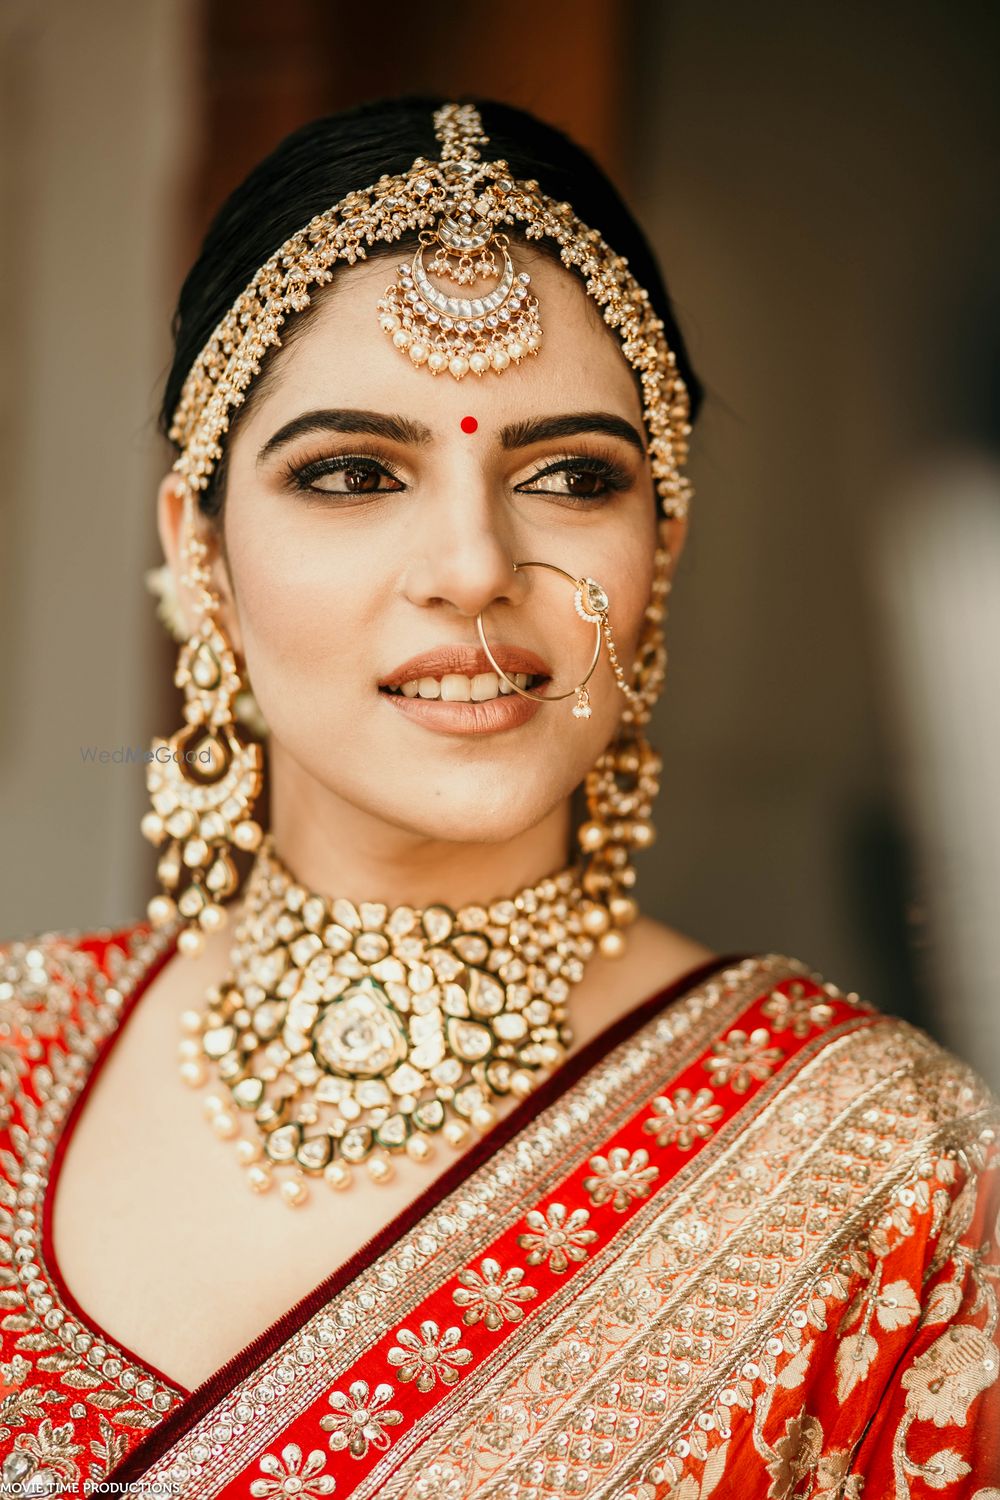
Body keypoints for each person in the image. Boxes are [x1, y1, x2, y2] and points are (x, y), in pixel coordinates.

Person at [0, 96, 997, 1500]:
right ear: (200, 547)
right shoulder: (11, 1060)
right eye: (353, 473)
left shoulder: (893, 1172)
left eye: (572, 476)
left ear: (665, 549)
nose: (472, 565)